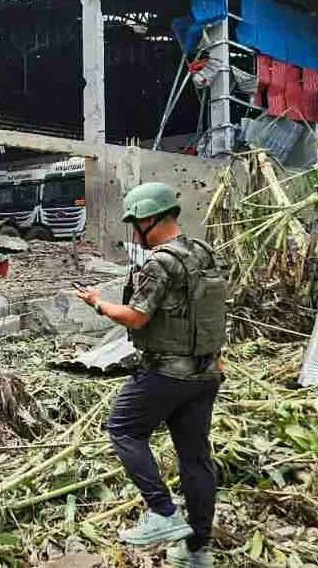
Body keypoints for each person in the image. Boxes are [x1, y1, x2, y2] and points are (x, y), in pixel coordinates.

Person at [76, 182, 226, 568]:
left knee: (123, 429)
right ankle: (197, 550)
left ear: (148, 219)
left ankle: (162, 513)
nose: (134, 229)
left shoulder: (160, 262)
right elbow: (207, 314)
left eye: (134, 222)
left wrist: (98, 303)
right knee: (195, 459)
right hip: (206, 373)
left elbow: (137, 316)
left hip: (165, 373)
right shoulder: (204, 254)